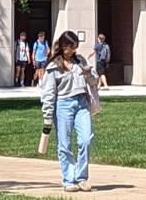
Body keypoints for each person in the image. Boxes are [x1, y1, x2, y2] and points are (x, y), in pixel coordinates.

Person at [38, 31, 100, 191]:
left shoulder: (80, 61)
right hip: (63, 105)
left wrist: (88, 75)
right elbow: (48, 94)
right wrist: (47, 117)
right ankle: (68, 179)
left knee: (86, 139)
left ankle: (81, 177)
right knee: (64, 144)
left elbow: (94, 81)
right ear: (63, 47)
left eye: (75, 48)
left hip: (82, 103)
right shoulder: (53, 67)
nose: (73, 51)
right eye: (70, 48)